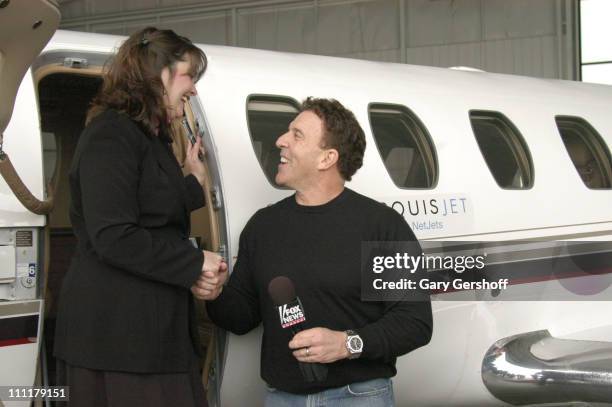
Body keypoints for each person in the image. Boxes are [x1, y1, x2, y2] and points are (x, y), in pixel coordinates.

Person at [204, 97, 433, 406]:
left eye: (296, 135)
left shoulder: (381, 226)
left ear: (327, 158)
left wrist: (347, 343)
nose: (280, 141)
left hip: (357, 397)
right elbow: (242, 318)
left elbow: (414, 322)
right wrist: (214, 293)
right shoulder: (263, 227)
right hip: (282, 397)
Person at [53, 27, 226, 407]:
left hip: (149, 336)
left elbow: (154, 207)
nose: (193, 89)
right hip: (117, 342)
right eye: (188, 75)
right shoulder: (110, 136)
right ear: (156, 75)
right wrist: (194, 262)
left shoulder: (149, 138)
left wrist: (193, 181)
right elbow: (114, 234)